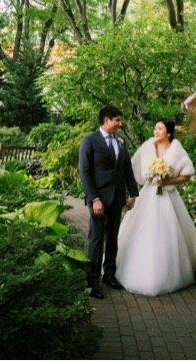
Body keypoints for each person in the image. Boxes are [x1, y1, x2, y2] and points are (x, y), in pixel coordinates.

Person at [115, 118, 196, 296]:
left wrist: (166, 180)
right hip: (147, 195)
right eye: (155, 128)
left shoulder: (176, 149)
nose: (156, 131)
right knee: (140, 231)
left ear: (168, 133)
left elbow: (187, 174)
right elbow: (132, 167)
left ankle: (168, 275)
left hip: (167, 197)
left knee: (167, 233)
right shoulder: (147, 147)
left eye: (160, 129)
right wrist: (147, 179)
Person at [79, 105, 138, 299]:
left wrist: (133, 193)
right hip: (98, 199)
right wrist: (94, 198)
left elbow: (126, 168)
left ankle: (109, 274)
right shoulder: (90, 141)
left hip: (117, 198)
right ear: (106, 120)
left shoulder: (120, 141)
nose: (120, 124)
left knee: (113, 237)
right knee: (96, 239)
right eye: (117, 120)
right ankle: (92, 280)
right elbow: (85, 173)